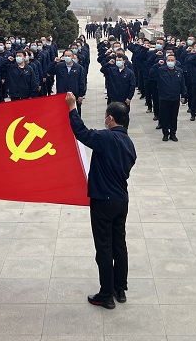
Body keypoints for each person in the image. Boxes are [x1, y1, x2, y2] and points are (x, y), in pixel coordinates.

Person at [64, 92, 136, 310]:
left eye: (106, 117)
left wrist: (72, 108)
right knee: (119, 244)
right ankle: (119, 288)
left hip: (103, 201)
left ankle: (106, 294)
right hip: (121, 200)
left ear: (110, 119)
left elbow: (82, 133)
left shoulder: (107, 138)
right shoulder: (129, 144)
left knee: (104, 248)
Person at [151, 52, 187, 142]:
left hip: (175, 97)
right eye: (168, 60)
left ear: (175, 61)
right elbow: (151, 73)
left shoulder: (179, 71)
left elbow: (182, 84)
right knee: (164, 117)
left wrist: (183, 95)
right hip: (164, 97)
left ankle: (173, 133)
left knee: (174, 117)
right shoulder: (161, 70)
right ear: (166, 61)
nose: (170, 62)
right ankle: (165, 133)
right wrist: (157, 65)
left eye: (172, 60)